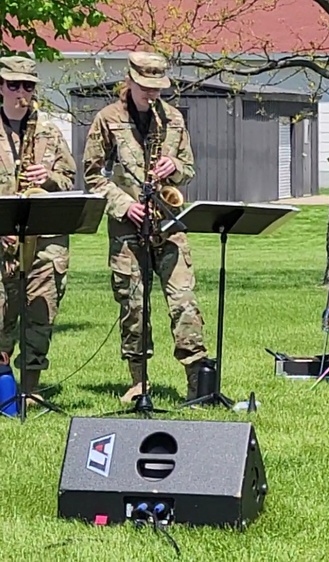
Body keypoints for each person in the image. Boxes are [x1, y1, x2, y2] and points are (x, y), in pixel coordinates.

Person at [82, 51, 209, 403]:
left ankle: (197, 381)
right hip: (128, 227)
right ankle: (138, 380)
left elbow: (189, 168)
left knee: (184, 302)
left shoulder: (173, 119)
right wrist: (124, 205)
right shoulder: (107, 119)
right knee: (134, 306)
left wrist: (175, 168)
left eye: (158, 89)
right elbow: (93, 175)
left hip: (168, 222)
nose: (153, 95)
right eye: (146, 88)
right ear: (131, 81)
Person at [0, 56, 76, 405]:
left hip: (43, 240)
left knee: (40, 311)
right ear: (1, 86)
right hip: (3, 238)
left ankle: (31, 389)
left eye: (28, 86)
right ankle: (3, 387)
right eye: (13, 85)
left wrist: (47, 178)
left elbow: (69, 180)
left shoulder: (48, 131)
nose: (21, 93)